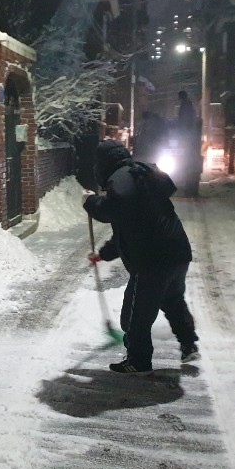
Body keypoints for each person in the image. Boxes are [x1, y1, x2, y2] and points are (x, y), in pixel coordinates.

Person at [83, 140, 200, 374]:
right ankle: (188, 344)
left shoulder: (122, 180)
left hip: (152, 260)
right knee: (173, 300)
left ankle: (138, 360)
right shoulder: (140, 176)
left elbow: (109, 211)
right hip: (176, 252)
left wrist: (90, 202)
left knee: (135, 316)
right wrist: (103, 255)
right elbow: (126, 231)